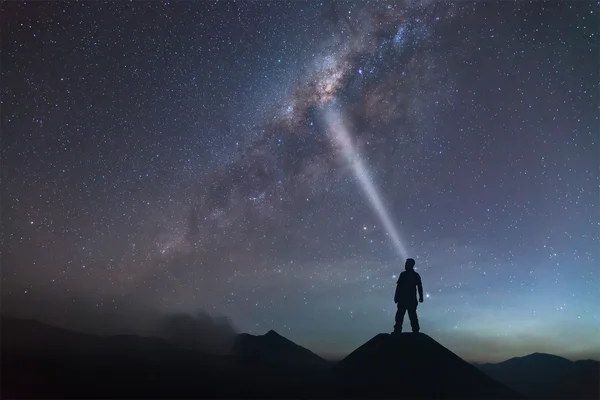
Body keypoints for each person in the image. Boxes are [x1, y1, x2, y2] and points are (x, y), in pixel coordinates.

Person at [393, 258, 423, 334]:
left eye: (407, 263)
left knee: (411, 315)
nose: (405, 265)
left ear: (411, 265)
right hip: (404, 299)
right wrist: (396, 296)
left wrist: (421, 296)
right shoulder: (404, 274)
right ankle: (398, 329)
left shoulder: (414, 275)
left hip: (409, 299)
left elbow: (419, 286)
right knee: (400, 315)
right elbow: (399, 286)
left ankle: (415, 330)